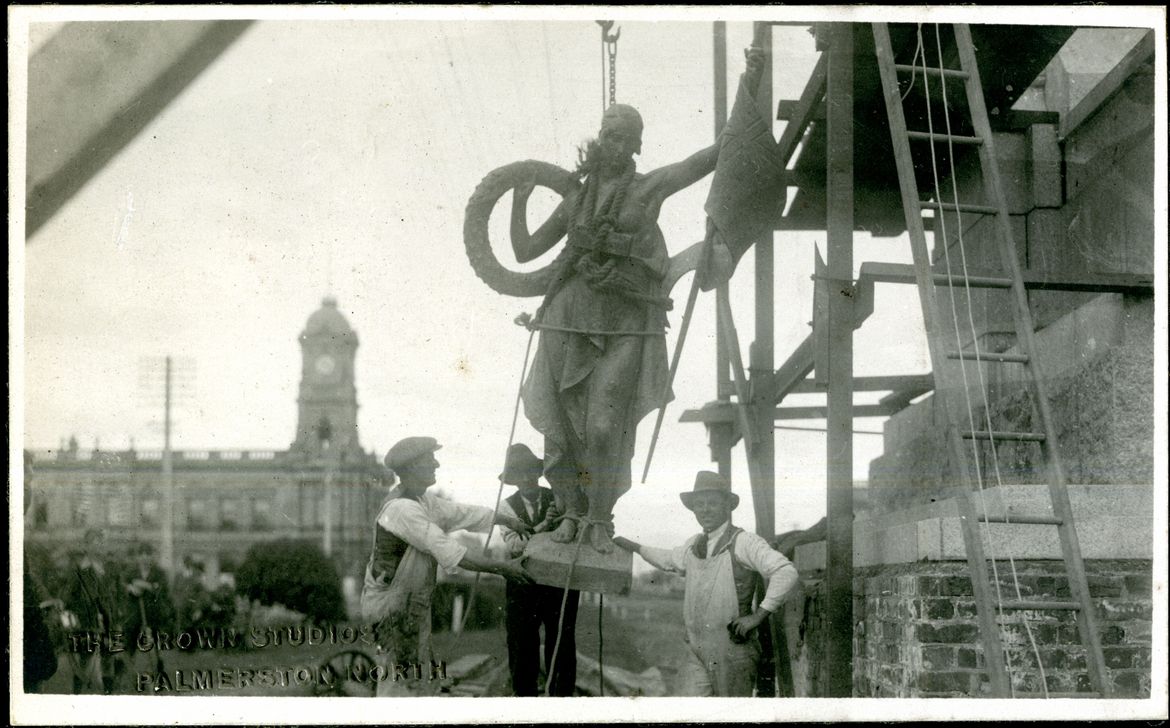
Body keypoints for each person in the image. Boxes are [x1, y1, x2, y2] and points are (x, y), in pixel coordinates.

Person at [508, 47, 768, 554]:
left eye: (624, 135)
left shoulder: (650, 189)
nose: (613, 140)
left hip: (626, 318)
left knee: (604, 425)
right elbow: (523, 251)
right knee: (563, 425)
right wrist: (519, 200)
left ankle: (600, 517)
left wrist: (749, 85)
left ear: (636, 146)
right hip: (567, 316)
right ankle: (571, 512)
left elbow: (712, 155)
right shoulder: (575, 200)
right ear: (599, 139)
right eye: (608, 131)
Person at [359, 436, 535, 697]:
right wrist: (504, 567)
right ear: (410, 468)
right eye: (429, 460)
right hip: (392, 608)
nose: (437, 464)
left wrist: (507, 520)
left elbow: (460, 513)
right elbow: (452, 552)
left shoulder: (423, 500)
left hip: (410, 604)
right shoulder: (402, 509)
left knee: (417, 679)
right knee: (399, 685)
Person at [614, 471, 799, 697]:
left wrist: (757, 617)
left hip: (733, 649)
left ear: (727, 506)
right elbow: (669, 559)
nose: (705, 509)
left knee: (730, 716)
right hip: (696, 648)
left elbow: (785, 571)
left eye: (712, 503)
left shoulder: (743, 541)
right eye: (699, 504)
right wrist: (635, 547)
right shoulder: (695, 545)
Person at [496, 444, 580, 696]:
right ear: (513, 479)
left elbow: (575, 524)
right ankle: (525, 703)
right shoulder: (505, 508)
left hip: (558, 582)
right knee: (522, 645)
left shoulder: (558, 496)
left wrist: (565, 520)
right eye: (520, 473)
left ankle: (561, 703)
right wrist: (545, 525)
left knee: (561, 643)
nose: (527, 478)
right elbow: (514, 545)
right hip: (523, 583)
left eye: (531, 471)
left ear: (538, 472)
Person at [63, 528, 124, 694]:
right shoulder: (79, 570)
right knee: (84, 659)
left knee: (109, 659)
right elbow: (68, 596)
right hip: (86, 622)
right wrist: (71, 618)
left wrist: (118, 615)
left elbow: (120, 593)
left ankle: (108, 694)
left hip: (110, 621)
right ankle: (77, 695)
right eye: (95, 543)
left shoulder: (111, 569)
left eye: (102, 543)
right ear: (87, 546)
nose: (100, 547)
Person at [122, 541, 175, 673]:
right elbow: (122, 584)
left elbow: (162, 589)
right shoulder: (131, 571)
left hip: (153, 613)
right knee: (130, 642)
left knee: (155, 643)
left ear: (152, 556)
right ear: (138, 557)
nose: (145, 557)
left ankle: (158, 670)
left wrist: (144, 585)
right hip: (134, 613)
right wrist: (130, 588)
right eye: (142, 554)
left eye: (148, 554)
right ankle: (129, 671)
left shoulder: (159, 572)